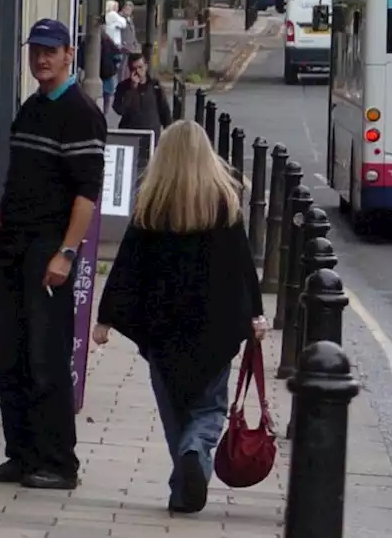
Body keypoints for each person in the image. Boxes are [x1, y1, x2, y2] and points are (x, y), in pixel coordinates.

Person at [92, 121, 266, 514]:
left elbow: (127, 265)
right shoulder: (225, 202)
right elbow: (243, 264)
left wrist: (106, 318)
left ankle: (184, 481)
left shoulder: (151, 204)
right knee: (208, 409)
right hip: (216, 329)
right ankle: (193, 458)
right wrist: (255, 313)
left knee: (174, 410)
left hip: (163, 330)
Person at [0, 18, 108, 491]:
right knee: (10, 357)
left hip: (48, 250)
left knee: (47, 359)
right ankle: (21, 454)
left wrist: (66, 253)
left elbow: (87, 194)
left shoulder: (81, 113)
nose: (41, 59)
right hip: (14, 244)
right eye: (35, 51)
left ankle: (58, 463)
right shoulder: (30, 108)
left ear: (70, 54)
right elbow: (16, 184)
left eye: (51, 51)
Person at [113, 53, 172, 142]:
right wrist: (132, 89)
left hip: (151, 135)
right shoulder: (123, 87)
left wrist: (169, 132)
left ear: (146, 67)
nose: (137, 72)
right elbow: (119, 109)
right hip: (130, 134)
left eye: (140, 67)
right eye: (133, 69)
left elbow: (164, 110)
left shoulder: (154, 85)